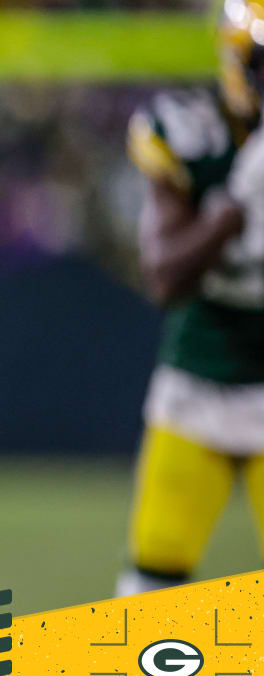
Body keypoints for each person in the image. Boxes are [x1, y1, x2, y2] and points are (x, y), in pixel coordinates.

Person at [118, 0, 264, 596]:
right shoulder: (189, 128)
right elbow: (163, 277)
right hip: (199, 374)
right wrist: (232, 208)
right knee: (154, 570)